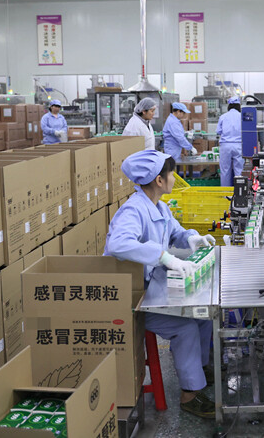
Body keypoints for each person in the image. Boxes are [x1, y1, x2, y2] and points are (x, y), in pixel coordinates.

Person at [104, 150, 217, 418]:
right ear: (158, 180)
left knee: (203, 316)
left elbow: (176, 232)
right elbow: (118, 244)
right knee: (186, 328)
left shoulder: (159, 206)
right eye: (171, 174)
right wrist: (163, 256)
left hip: (153, 288)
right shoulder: (133, 210)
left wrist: (192, 238)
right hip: (134, 297)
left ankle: (198, 369)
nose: (174, 178)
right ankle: (190, 394)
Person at [216, 96, 243, 186]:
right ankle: (239, 191)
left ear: (229, 106)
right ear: (239, 106)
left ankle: (226, 192)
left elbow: (218, 131)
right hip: (239, 146)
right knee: (239, 170)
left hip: (225, 146)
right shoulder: (242, 116)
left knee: (225, 171)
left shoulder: (223, 117)